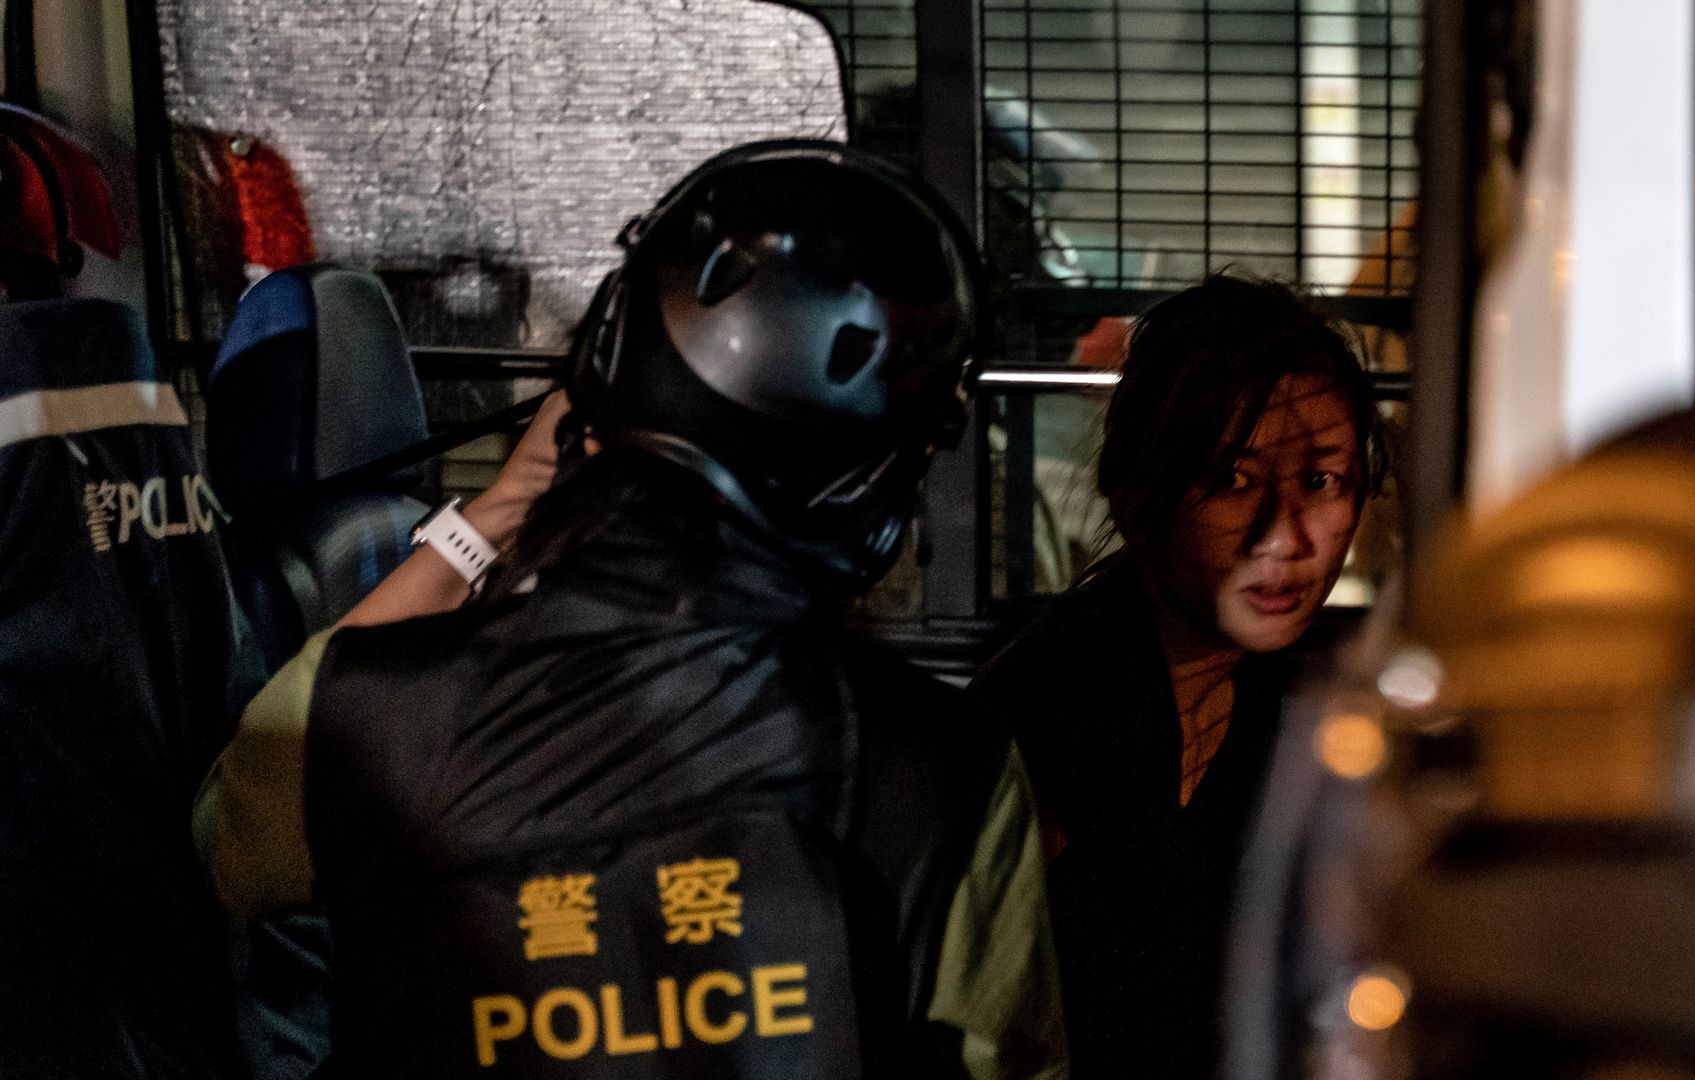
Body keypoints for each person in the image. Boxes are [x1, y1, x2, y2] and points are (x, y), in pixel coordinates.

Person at [194, 140, 1066, 1079]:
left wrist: (497, 510)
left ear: (605, 360)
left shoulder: (361, 715)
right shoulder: (944, 762)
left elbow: (226, 854)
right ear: (878, 481)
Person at [969, 273, 1385, 1080]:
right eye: (1231, 479)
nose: (1284, 536)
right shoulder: (1056, 708)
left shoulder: (1300, 706)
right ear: (1136, 498)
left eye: (1321, 481)